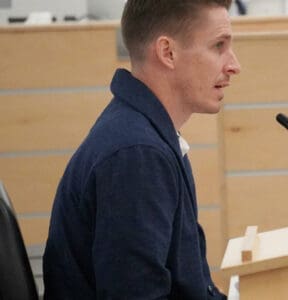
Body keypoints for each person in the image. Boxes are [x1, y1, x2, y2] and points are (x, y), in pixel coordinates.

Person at [43, 0, 240, 299]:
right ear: (167, 52)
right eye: (218, 46)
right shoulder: (137, 154)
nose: (234, 65)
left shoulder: (147, 136)